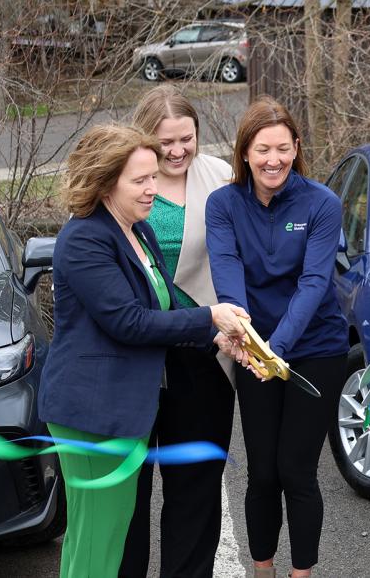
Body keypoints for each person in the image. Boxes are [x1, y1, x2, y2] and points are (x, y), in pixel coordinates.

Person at [39, 124, 249, 578]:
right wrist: (211, 316)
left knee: (105, 537)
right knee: (96, 541)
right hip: (91, 414)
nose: (154, 188)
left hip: (121, 410)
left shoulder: (138, 229)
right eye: (140, 180)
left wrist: (216, 338)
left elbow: (165, 305)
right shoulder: (84, 238)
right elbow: (128, 321)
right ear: (105, 181)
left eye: (154, 177)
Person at [205, 96, 349, 578]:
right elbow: (227, 270)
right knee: (263, 472)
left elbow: (313, 283)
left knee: (297, 471)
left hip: (315, 349)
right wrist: (245, 337)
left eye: (283, 149)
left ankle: (301, 573)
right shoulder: (223, 204)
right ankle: (262, 568)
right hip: (254, 349)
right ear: (244, 151)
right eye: (263, 149)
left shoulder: (321, 204)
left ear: (296, 148)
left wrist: (275, 349)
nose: (274, 160)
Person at [119, 85, 237, 578]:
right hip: (133, 353)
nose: (176, 151)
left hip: (202, 350)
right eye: (164, 141)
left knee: (196, 491)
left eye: (185, 138)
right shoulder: (120, 180)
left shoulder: (222, 176)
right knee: (128, 493)